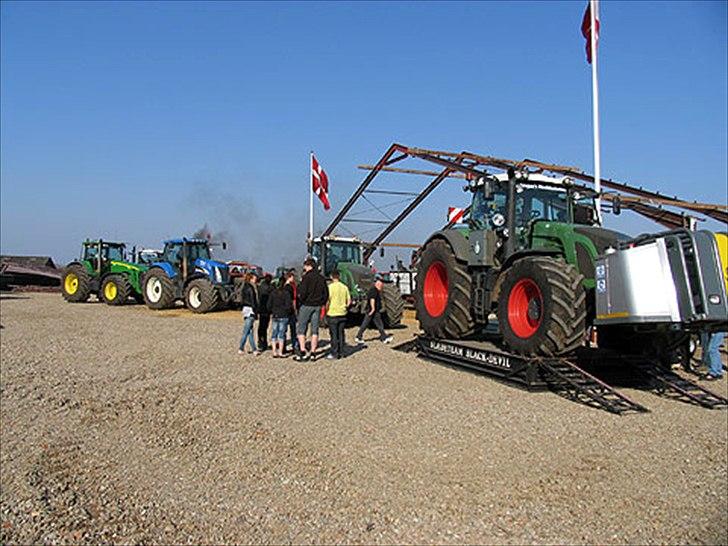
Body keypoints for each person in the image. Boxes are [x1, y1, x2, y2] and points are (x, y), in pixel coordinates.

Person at [294, 258, 328, 361]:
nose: (304, 268)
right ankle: (313, 352)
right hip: (317, 306)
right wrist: (322, 303)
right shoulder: (321, 278)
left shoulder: (306, 278)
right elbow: (326, 294)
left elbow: (302, 292)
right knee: (314, 330)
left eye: (305, 266)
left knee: (301, 329)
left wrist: (301, 301)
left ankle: (303, 351)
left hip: (306, 305)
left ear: (309, 266)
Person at [355, 273, 393, 344]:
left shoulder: (375, 290)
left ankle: (384, 337)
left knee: (379, 324)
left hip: (374, 311)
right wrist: (372, 309)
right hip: (372, 311)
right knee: (365, 324)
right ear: (378, 284)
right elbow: (372, 299)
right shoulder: (373, 290)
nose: (381, 287)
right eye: (381, 286)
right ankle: (358, 337)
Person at [326, 270, 351, 360]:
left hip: (332, 313)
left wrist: (326, 309)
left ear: (331, 277)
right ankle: (342, 352)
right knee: (341, 334)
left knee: (334, 335)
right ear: (339, 276)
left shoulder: (330, 287)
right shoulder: (344, 287)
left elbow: (328, 301)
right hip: (342, 313)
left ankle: (334, 353)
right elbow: (349, 301)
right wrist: (344, 307)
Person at [267, 276, 293, 358]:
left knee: (274, 334)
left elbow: (268, 305)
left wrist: (272, 311)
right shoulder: (286, 293)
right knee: (281, 334)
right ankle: (281, 352)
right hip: (284, 315)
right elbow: (289, 305)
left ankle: (274, 351)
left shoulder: (273, 293)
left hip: (275, 315)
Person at [238, 272, 260, 356]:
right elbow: (253, 301)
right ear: (251, 279)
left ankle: (254, 349)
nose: (256, 280)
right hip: (251, 310)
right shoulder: (251, 288)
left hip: (245, 309)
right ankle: (241, 347)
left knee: (250, 331)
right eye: (254, 278)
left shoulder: (244, 287)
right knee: (246, 331)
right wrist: (255, 311)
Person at [283, 270, 300, 355]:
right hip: (290, 311)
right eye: (292, 277)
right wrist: (294, 309)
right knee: (293, 330)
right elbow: (292, 299)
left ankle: (283, 347)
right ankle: (295, 346)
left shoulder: (283, 286)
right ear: (289, 277)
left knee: (284, 330)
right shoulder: (290, 287)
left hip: (285, 311)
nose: (294, 279)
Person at [257, 273, 273, 351]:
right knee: (264, 327)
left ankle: (261, 341)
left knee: (261, 327)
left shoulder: (260, 287)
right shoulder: (270, 288)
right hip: (266, 310)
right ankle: (263, 342)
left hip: (262, 310)